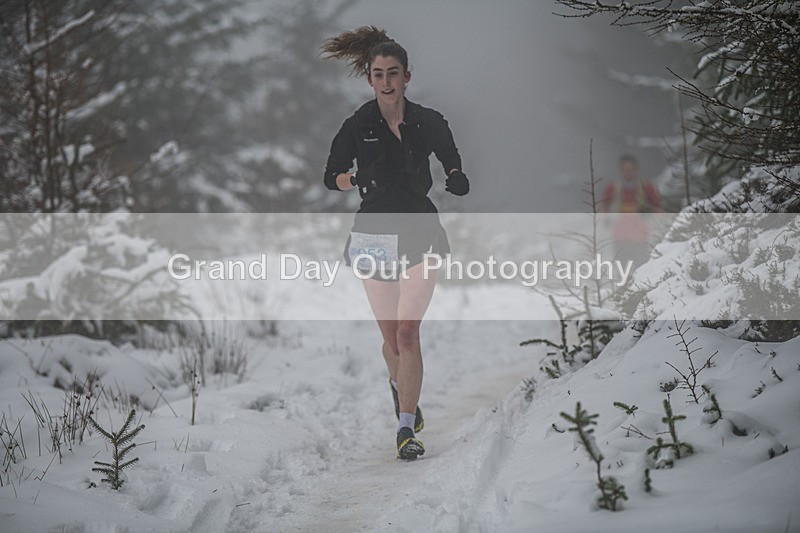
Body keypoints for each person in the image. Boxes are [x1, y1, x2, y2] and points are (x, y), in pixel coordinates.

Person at [320, 26, 469, 460]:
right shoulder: (358, 124)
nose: (387, 81)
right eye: (379, 74)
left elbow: (450, 156)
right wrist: (355, 178)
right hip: (373, 234)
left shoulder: (428, 120)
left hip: (421, 229)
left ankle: (406, 428)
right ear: (369, 79)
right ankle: (401, 388)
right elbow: (332, 176)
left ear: (408, 76)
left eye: (394, 73)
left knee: (407, 333)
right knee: (390, 340)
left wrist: (456, 177)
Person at [599, 154, 661, 269]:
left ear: (636, 170)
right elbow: (604, 204)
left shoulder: (646, 187)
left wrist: (653, 219)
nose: (628, 172)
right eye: (625, 169)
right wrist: (606, 218)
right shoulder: (612, 187)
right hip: (620, 234)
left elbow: (657, 205)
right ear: (620, 170)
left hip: (641, 234)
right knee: (623, 266)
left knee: (641, 266)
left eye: (631, 169)